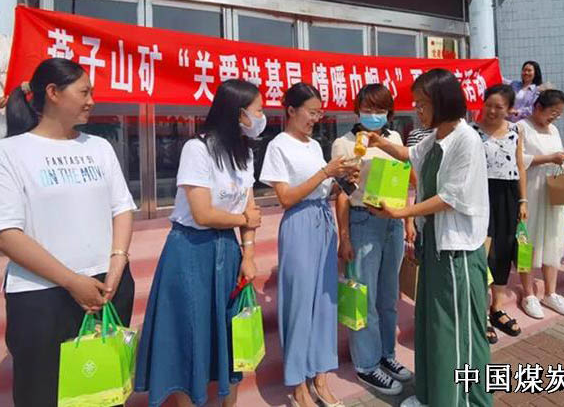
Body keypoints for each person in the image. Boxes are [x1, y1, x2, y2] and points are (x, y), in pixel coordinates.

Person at [0, 59, 135, 407]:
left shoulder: (99, 147)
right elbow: (7, 232)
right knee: (44, 394)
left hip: (107, 287)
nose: (92, 101)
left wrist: (118, 263)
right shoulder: (10, 152)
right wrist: (71, 281)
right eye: (84, 92)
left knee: (105, 392)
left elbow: (121, 208)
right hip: (43, 295)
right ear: (53, 93)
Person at [135, 79, 264, 407]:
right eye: (257, 111)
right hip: (190, 251)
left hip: (228, 250)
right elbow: (203, 213)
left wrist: (248, 254)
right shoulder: (198, 149)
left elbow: (251, 209)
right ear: (239, 114)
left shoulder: (245, 153)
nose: (261, 118)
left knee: (230, 334)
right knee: (189, 334)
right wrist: (243, 219)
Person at [367, 69, 491, 407]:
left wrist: (401, 213)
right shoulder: (436, 136)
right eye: (416, 103)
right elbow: (410, 155)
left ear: (442, 102)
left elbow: (451, 197)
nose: (417, 109)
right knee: (434, 327)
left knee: (458, 333)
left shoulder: (466, 140)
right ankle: (433, 396)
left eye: (422, 104)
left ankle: (463, 401)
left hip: (456, 253)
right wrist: (380, 143)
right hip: (434, 246)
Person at [260, 83, 357, 407]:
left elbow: (323, 189)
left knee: (325, 303)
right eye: (311, 112)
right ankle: (298, 381)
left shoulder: (315, 145)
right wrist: (325, 172)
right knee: (299, 304)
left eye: (319, 113)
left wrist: (343, 180)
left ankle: (321, 377)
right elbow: (286, 198)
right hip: (299, 224)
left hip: (323, 222)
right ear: (291, 110)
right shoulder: (278, 146)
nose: (316, 118)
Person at [331, 84, 413, 396]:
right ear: (357, 110)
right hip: (363, 220)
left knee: (388, 296)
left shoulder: (394, 139)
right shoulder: (344, 143)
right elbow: (342, 195)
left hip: (392, 222)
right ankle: (366, 365)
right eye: (368, 109)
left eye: (380, 110)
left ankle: (386, 355)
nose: (374, 115)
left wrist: (407, 220)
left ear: (389, 112)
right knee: (363, 297)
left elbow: (404, 180)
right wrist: (345, 237)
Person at [472, 84, 527, 344]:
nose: (492, 111)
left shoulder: (516, 131)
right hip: (480, 194)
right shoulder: (472, 132)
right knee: (484, 252)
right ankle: (480, 313)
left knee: (504, 250)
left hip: (508, 195)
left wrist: (523, 200)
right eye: (489, 105)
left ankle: (497, 308)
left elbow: (520, 166)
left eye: (499, 107)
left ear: (510, 109)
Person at [517, 89, 564, 319]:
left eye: (558, 114)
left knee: (553, 239)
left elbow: (561, 158)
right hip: (531, 190)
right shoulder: (521, 127)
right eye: (553, 112)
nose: (554, 118)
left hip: (553, 192)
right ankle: (528, 294)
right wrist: (548, 158)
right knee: (528, 241)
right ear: (538, 107)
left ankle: (551, 293)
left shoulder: (554, 130)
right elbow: (518, 161)